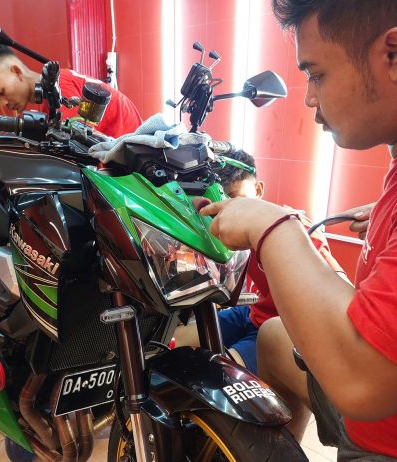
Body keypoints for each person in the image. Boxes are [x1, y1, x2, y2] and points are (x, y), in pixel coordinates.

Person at [196, 1, 397, 459]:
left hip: (382, 435)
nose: (309, 97)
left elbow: (364, 382)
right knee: (273, 336)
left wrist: (273, 226)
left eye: (317, 74)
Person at [216, 150, 345, 382]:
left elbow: (340, 288)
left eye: (235, 198)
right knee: (179, 338)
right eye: (222, 200)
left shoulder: (296, 230)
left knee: (221, 375)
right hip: (253, 314)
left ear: (258, 190)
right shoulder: (231, 231)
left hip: (285, 328)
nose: (229, 209)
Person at [0, 43, 142, 138]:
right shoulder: (49, 98)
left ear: (16, 71)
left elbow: (76, 142)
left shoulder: (60, 88)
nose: (4, 103)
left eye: (1, 92)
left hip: (130, 158)